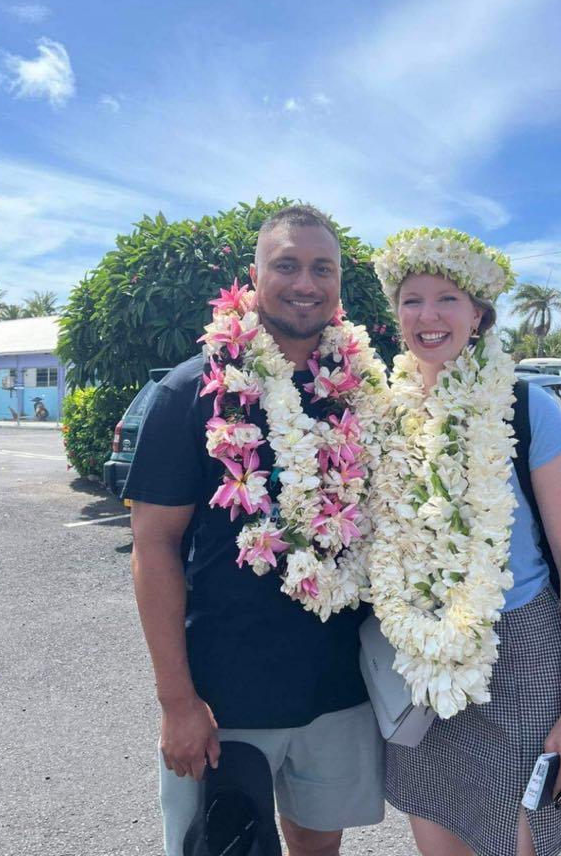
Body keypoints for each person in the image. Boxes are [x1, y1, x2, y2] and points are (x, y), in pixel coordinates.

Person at [124, 205, 387, 856]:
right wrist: (176, 701)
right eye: (287, 265)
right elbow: (152, 547)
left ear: (338, 283)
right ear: (253, 277)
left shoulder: (355, 395)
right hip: (224, 702)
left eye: (321, 268)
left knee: (319, 850)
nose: (306, 283)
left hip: (338, 692)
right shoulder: (194, 392)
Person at [369, 228, 561, 856]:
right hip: (416, 659)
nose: (429, 315)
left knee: (516, 839)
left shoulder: (530, 408)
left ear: (479, 314)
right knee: (436, 828)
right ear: (396, 316)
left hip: (521, 649)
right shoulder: (380, 413)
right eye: (412, 299)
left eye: (447, 298)